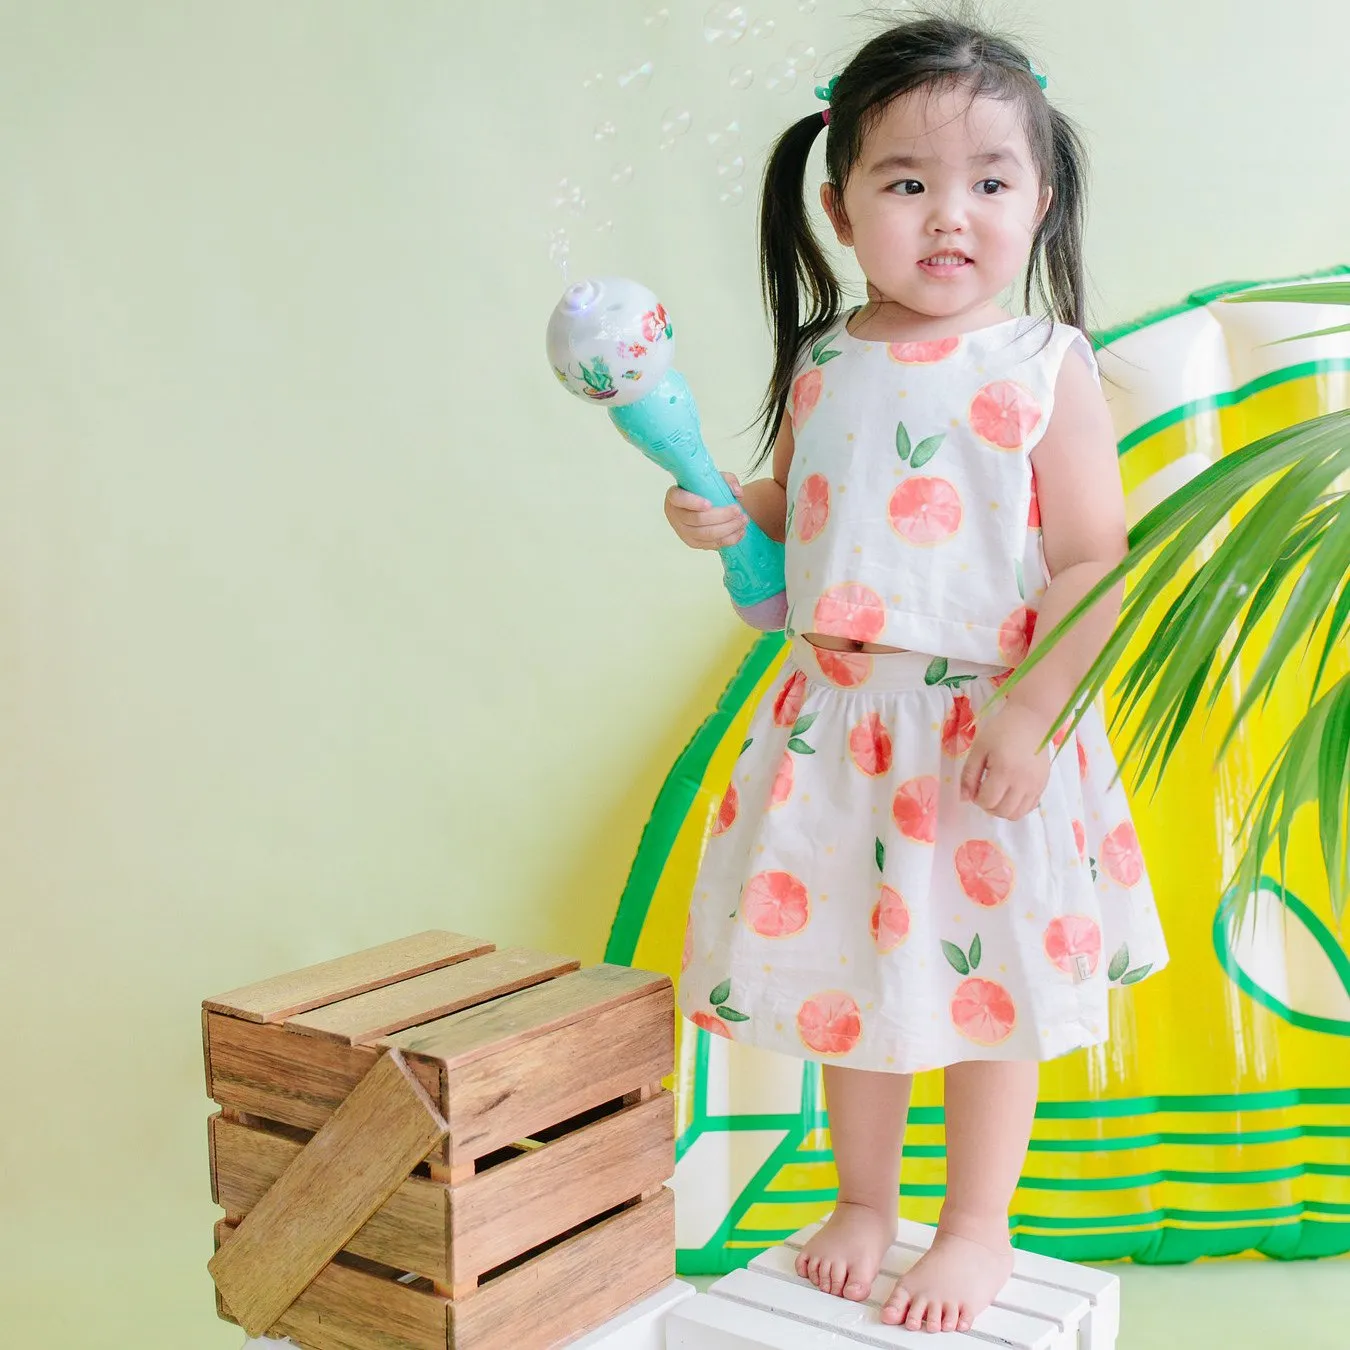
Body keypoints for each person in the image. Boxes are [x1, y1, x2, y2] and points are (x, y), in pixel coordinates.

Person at [664, 13, 1169, 1337]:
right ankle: (863, 1200)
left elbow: (1089, 562)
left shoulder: (1041, 365)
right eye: (906, 183)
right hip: (839, 733)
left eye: (989, 183)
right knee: (852, 983)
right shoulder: (824, 358)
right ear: (837, 206)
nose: (950, 216)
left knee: (981, 988)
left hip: (978, 732)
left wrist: (1028, 710)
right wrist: (731, 509)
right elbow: (812, 510)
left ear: (1037, 199)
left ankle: (974, 1222)